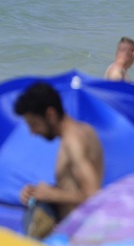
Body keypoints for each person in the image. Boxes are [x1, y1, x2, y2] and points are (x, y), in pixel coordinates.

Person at [15, 81, 105, 235]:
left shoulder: (73, 142)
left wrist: (54, 195)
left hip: (77, 234)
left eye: (34, 124)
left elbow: (94, 195)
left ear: (50, 114)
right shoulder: (84, 130)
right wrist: (42, 192)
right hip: (76, 226)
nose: (32, 132)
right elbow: (76, 186)